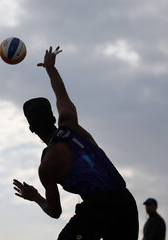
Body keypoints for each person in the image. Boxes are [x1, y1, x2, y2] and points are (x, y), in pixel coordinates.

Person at [13, 46, 139, 240]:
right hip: (126, 204)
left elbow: (55, 212)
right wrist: (50, 68)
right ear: (54, 118)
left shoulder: (47, 166)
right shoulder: (70, 123)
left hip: (98, 208)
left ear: (31, 129)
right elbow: (61, 94)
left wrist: (35, 197)